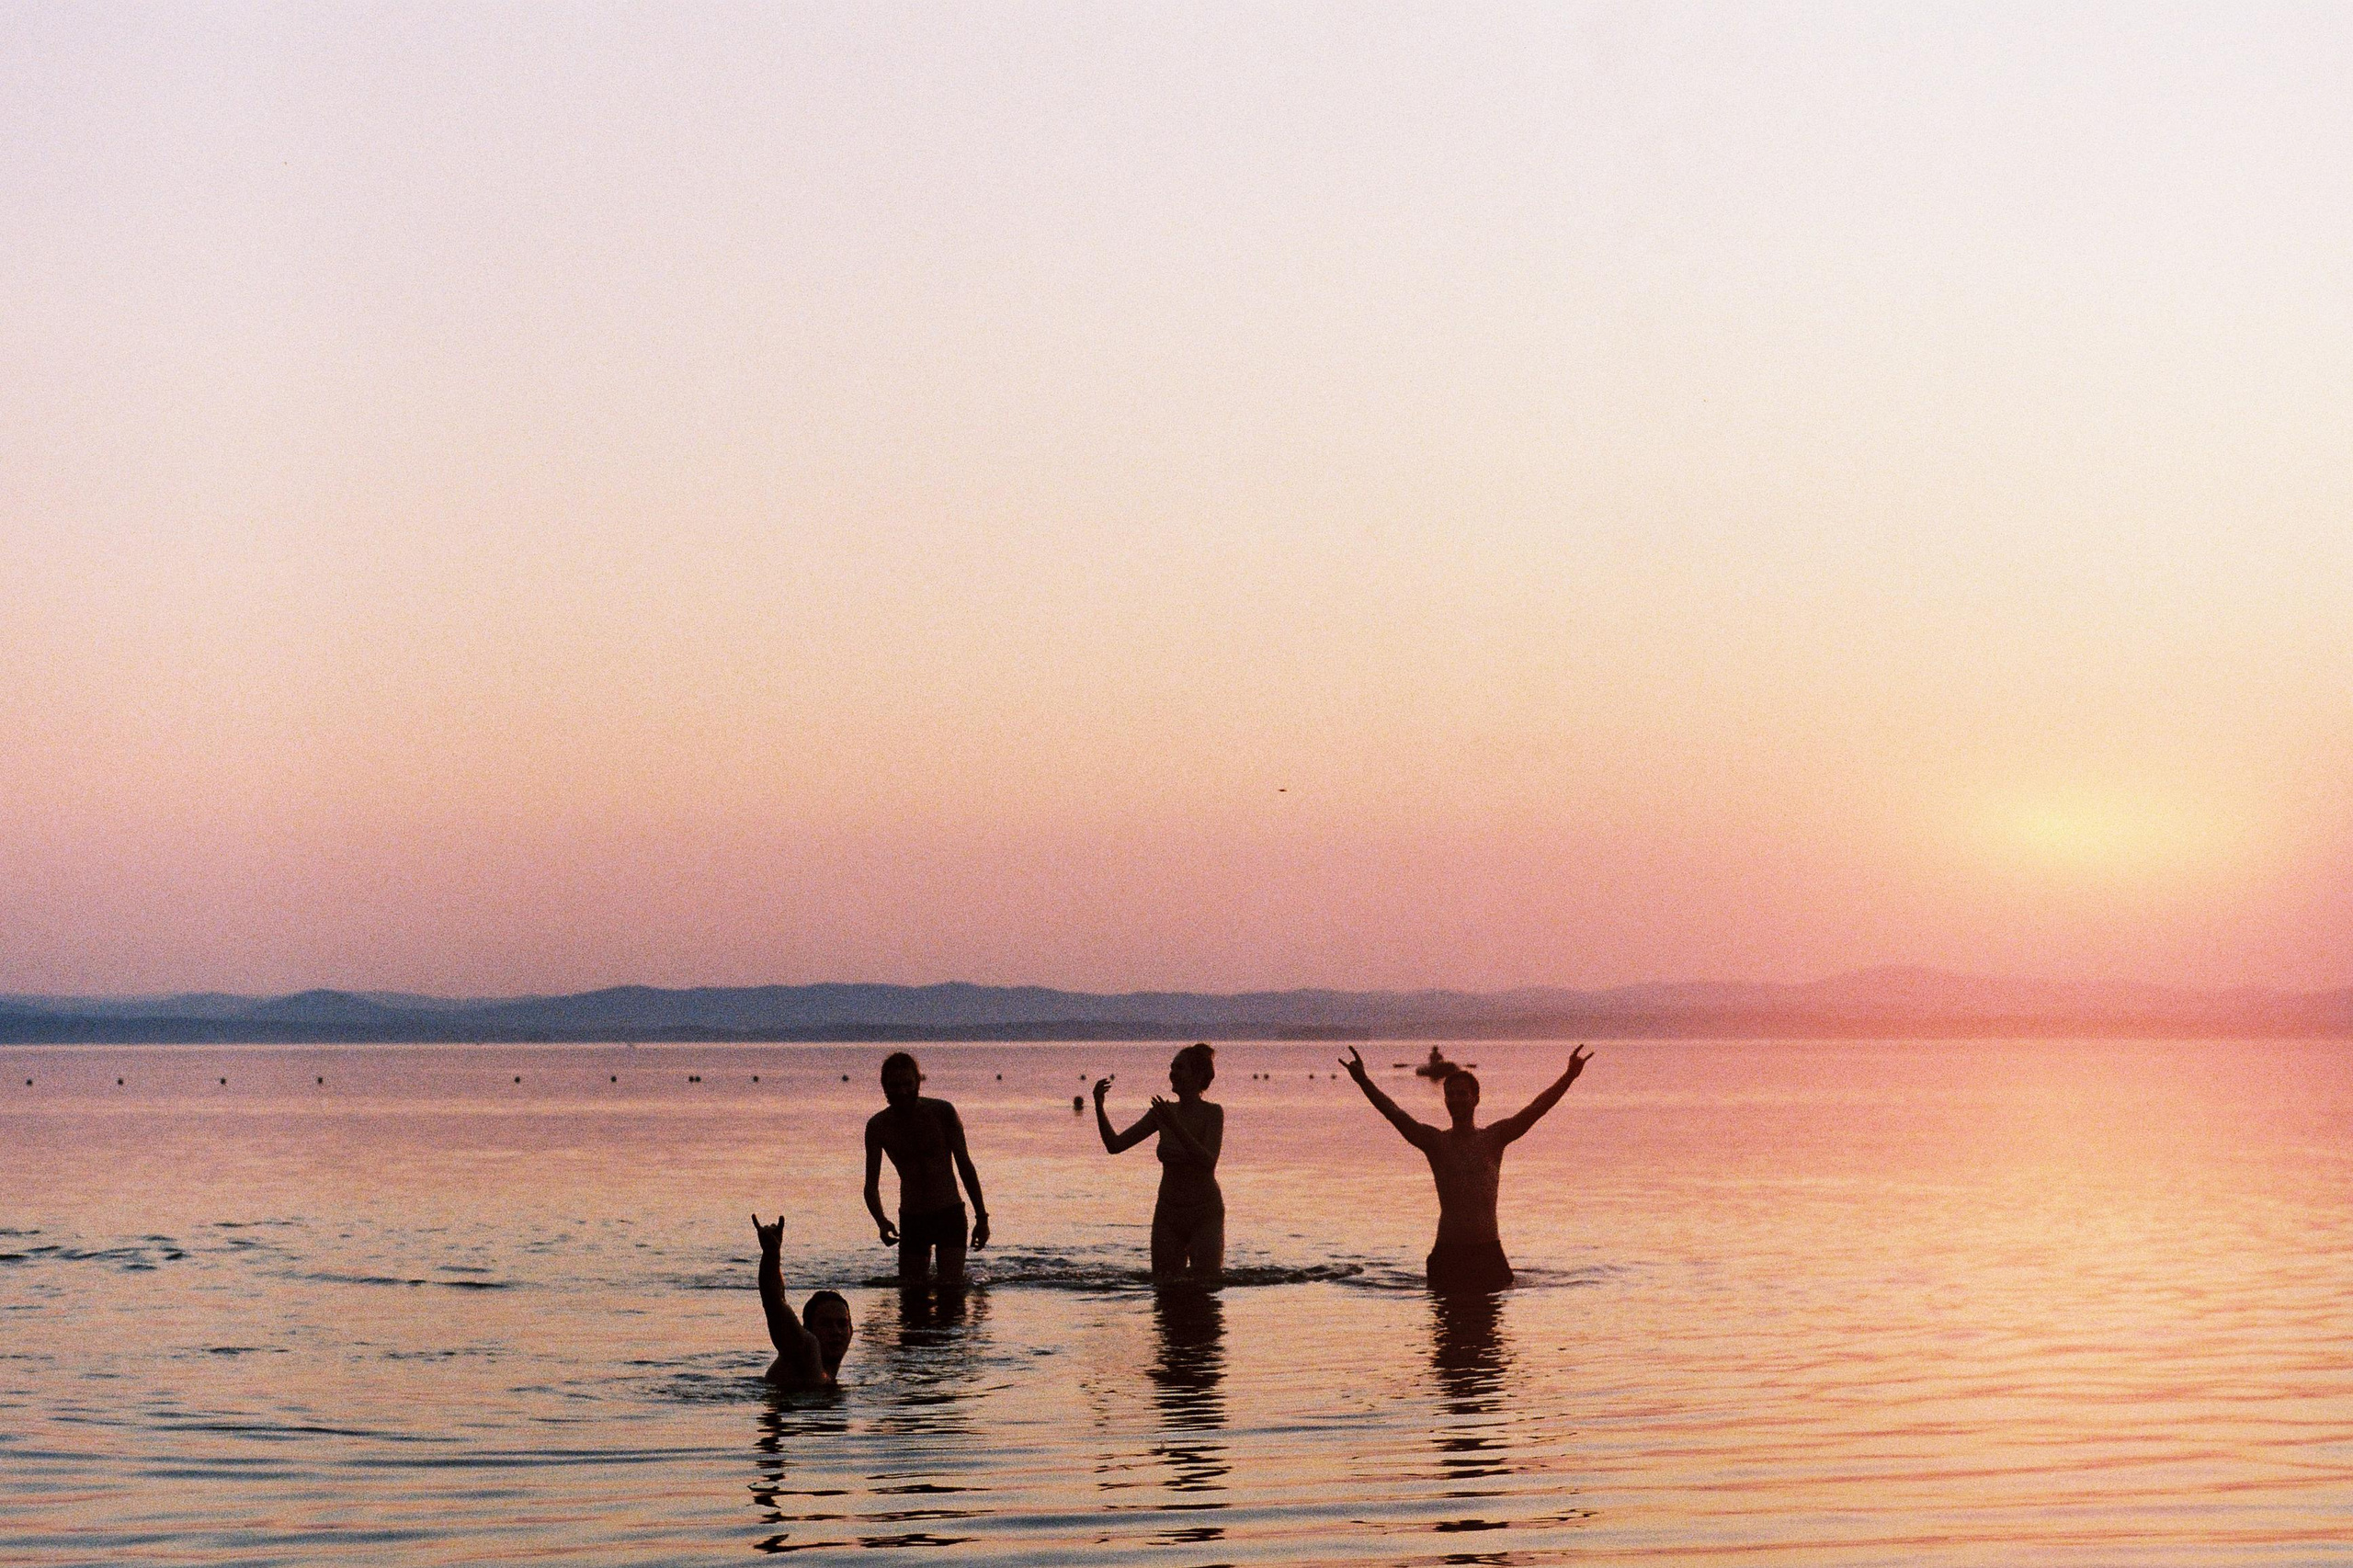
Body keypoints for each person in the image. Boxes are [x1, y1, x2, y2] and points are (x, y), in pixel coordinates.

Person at [1339, 1043, 1592, 1293]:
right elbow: (1393, 1112)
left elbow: (1536, 1108)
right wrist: (1363, 1081)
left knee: (1491, 1333)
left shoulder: (1495, 1138)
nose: (1456, 1100)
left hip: (1488, 1253)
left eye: (1463, 1094)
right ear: (1446, 1100)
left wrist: (1569, 1076)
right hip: (1448, 1254)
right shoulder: (1434, 1142)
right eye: (1451, 1095)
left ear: (1475, 1099)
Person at [1093, 1041, 1224, 1280]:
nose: (1172, 1073)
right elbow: (1115, 1145)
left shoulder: (1213, 1113)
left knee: (1207, 1287)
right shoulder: (1161, 1113)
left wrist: (1175, 1125)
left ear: (1198, 1076)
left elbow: (1208, 1161)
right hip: (1168, 1213)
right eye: (1172, 1067)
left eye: (1180, 1068)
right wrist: (1099, 1108)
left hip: (1205, 1213)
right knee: (1164, 1288)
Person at [864, 1051, 991, 1286]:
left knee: (951, 1292)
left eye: (907, 1084)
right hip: (912, 1218)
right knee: (911, 1301)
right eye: (894, 1085)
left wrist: (981, 1218)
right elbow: (871, 1185)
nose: (901, 1091)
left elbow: (965, 1166)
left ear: (918, 1082)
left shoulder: (942, 1113)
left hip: (949, 1212)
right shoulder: (878, 1126)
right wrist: (881, 1220)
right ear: (884, 1086)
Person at [752, 1213, 852, 1390]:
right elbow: (775, 1304)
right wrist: (771, 1255)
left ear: (852, 1331)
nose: (836, 1331)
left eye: (842, 1324)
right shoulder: (807, 1349)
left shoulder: (825, 1371)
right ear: (807, 1330)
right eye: (826, 1324)